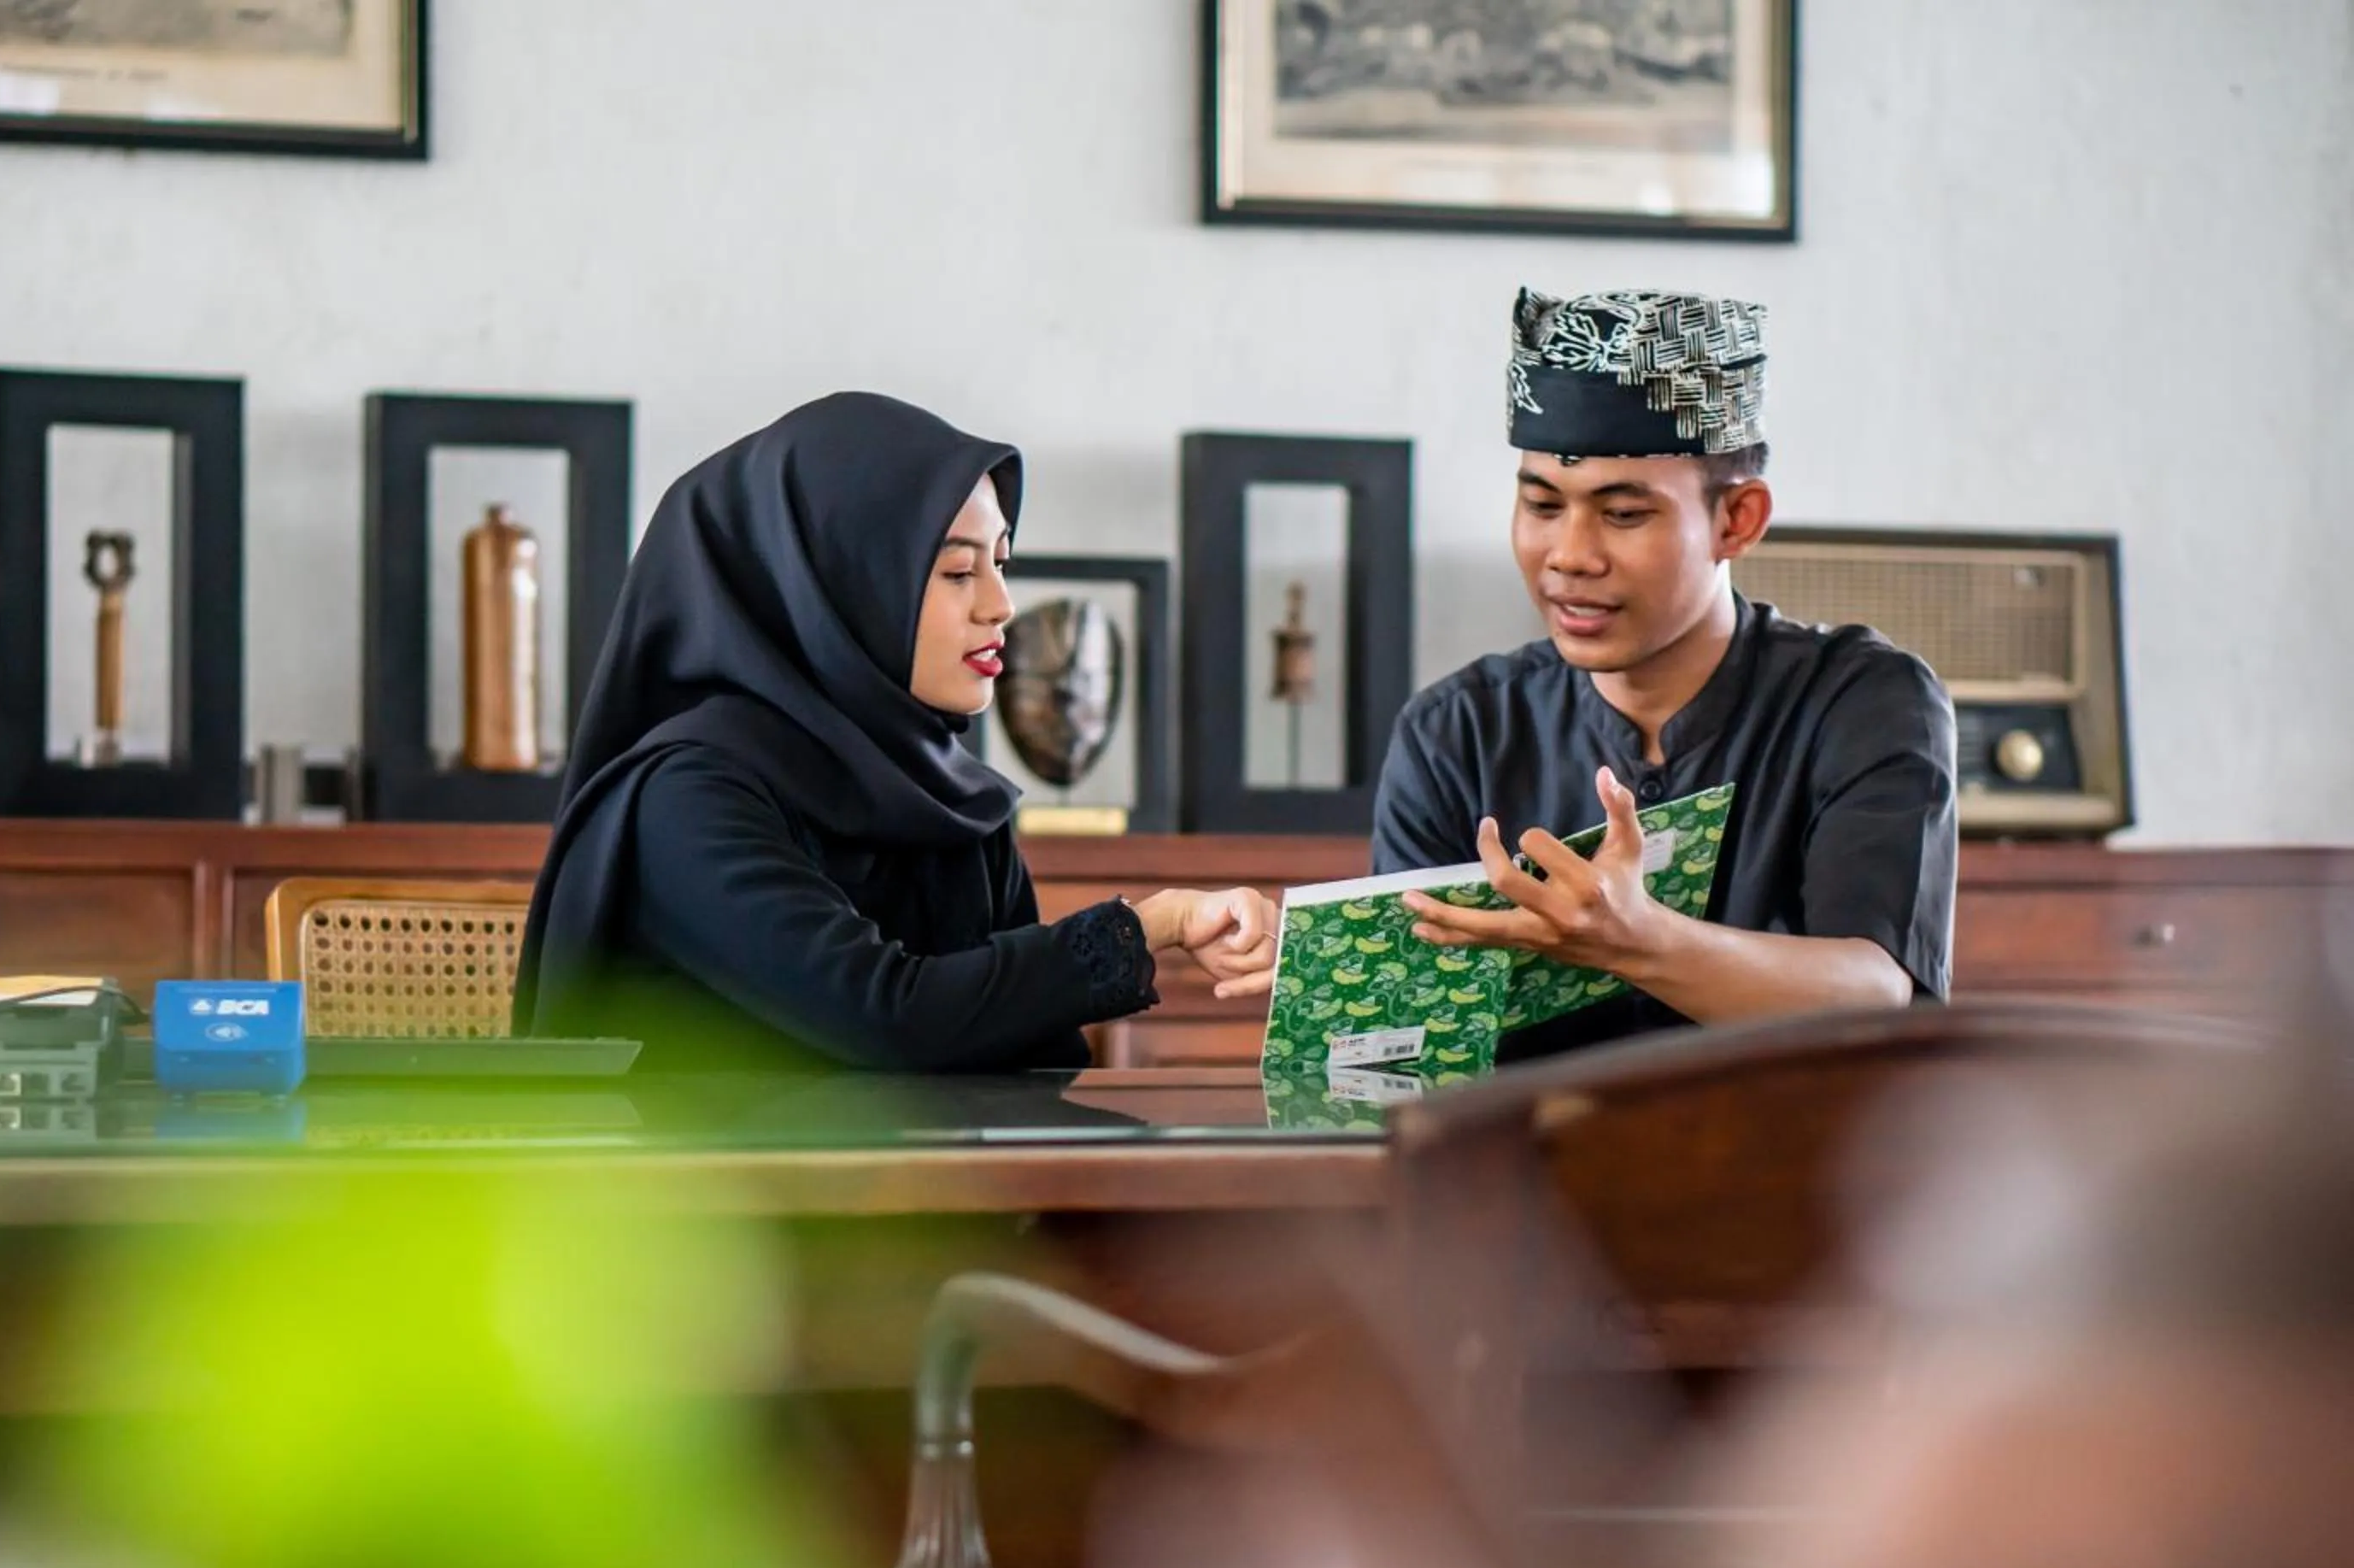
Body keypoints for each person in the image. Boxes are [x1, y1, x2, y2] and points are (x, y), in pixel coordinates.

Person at [511, 391, 1277, 1073]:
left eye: (1003, 563)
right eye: (956, 572)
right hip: (708, 1225)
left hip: (928, 1219)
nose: (1001, 604)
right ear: (834, 584)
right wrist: (1158, 923)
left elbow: (1025, 1058)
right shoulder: (686, 793)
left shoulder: (948, 795)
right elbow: (886, 1017)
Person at [1374, 288, 1958, 1062]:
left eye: (1623, 515)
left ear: (1736, 520)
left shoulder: (1862, 703)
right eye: (1543, 506)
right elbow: (1407, 1030)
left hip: (1794, 1172)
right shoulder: (1457, 731)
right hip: (1529, 1170)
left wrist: (1636, 940)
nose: (1570, 555)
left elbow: (1877, 994)